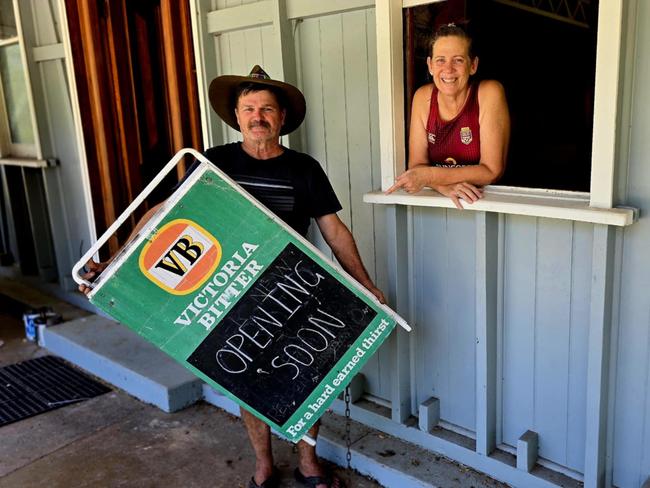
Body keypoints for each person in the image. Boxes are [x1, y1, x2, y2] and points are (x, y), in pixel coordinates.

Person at [80, 65, 384, 488]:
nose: (257, 116)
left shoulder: (304, 168)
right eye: (249, 108)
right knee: (248, 386)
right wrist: (117, 259)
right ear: (237, 117)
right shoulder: (215, 161)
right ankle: (263, 464)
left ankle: (309, 463)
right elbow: (165, 215)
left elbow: (334, 230)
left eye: (267, 109)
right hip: (228, 292)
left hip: (291, 288)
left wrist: (365, 285)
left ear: (281, 119)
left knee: (311, 377)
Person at [386, 23, 510, 209]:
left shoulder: (489, 92)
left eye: (458, 60)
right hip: (443, 203)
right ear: (430, 65)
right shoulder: (423, 97)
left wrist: (429, 177)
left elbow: (491, 171)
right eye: (440, 60)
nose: (448, 69)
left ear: (473, 65)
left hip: (488, 203)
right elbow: (417, 165)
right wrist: (443, 187)